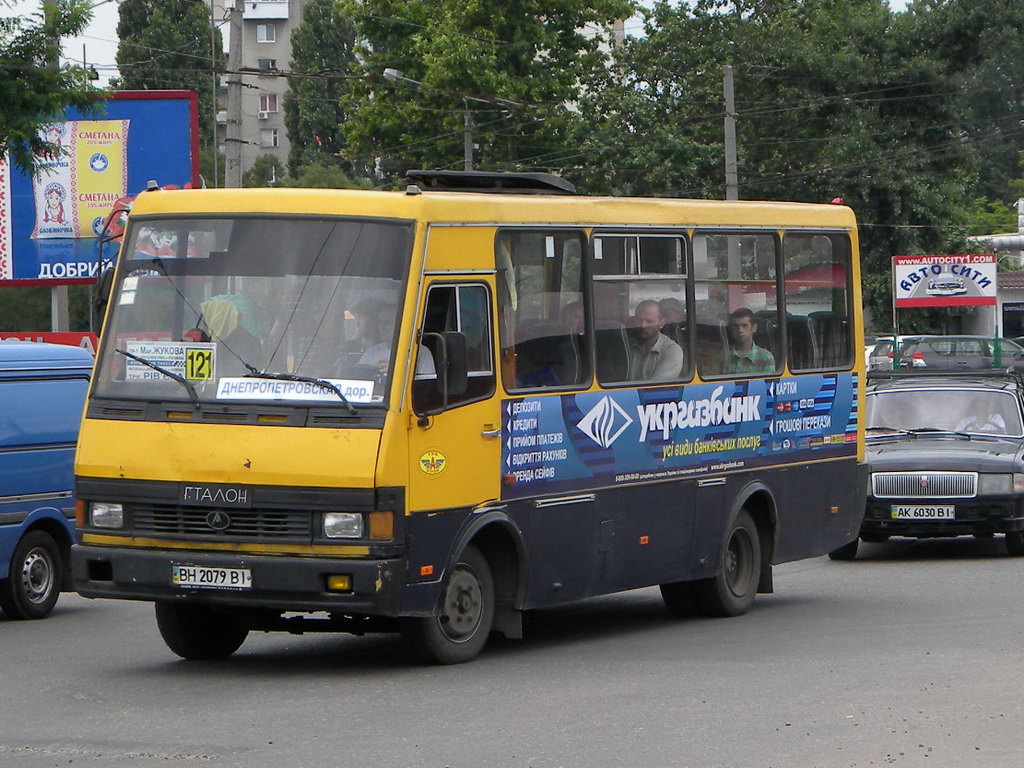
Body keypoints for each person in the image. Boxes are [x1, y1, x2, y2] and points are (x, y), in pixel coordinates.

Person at [627, 299, 684, 381]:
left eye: (649, 321)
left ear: (661, 323)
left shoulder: (672, 351)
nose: (643, 325)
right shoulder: (627, 345)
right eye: (639, 320)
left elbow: (655, 389)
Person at [722, 307, 775, 374]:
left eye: (745, 325)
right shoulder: (724, 355)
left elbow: (767, 383)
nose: (740, 330)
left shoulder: (766, 357)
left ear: (754, 328)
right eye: (735, 326)